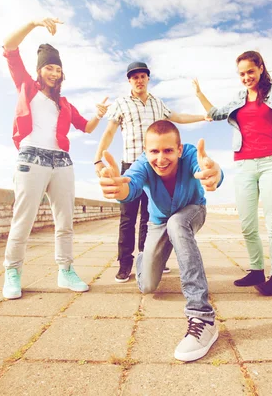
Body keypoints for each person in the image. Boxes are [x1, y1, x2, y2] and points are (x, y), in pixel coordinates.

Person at [192, 13, 272, 296]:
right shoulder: (238, 100)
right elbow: (214, 114)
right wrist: (200, 93)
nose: (246, 77)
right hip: (244, 165)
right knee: (247, 223)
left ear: (261, 68)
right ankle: (255, 269)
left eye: (250, 71)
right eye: (241, 74)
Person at [98, 121, 223, 362]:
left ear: (178, 149)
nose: (161, 158)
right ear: (146, 151)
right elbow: (130, 186)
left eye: (168, 151)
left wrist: (214, 173)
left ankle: (202, 316)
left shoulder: (189, 155)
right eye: (154, 151)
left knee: (177, 223)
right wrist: (117, 188)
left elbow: (206, 168)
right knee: (147, 286)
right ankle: (146, 257)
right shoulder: (143, 164)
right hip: (157, 222)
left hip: (191, 210)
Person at [1, 17, 108, 299]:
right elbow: (9, 47)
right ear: (39, 70)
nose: (54, 72)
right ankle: (12, 272)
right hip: (31, 158)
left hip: (61, 162)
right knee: (23, 220)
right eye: (49, 67)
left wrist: (98, 114)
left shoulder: (65, 103)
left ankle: (65, 271)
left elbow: (86, 127)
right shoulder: (26, 86)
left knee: (65, 223)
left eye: (58, 69)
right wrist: (34, 23)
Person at [94, 61, 210, 283]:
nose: (139, 80)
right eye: (134, 77)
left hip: (158, 166)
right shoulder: (121, 104)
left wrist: (202, 117)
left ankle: (149, 257)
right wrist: (97, 157)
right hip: (132, 167)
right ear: (129, 81)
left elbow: (178, 117)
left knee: (150, 217)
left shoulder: (158, 103)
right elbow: (109, 132)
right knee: (128, 218)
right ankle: (125, 263)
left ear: (148, 79)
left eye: (142, 76)